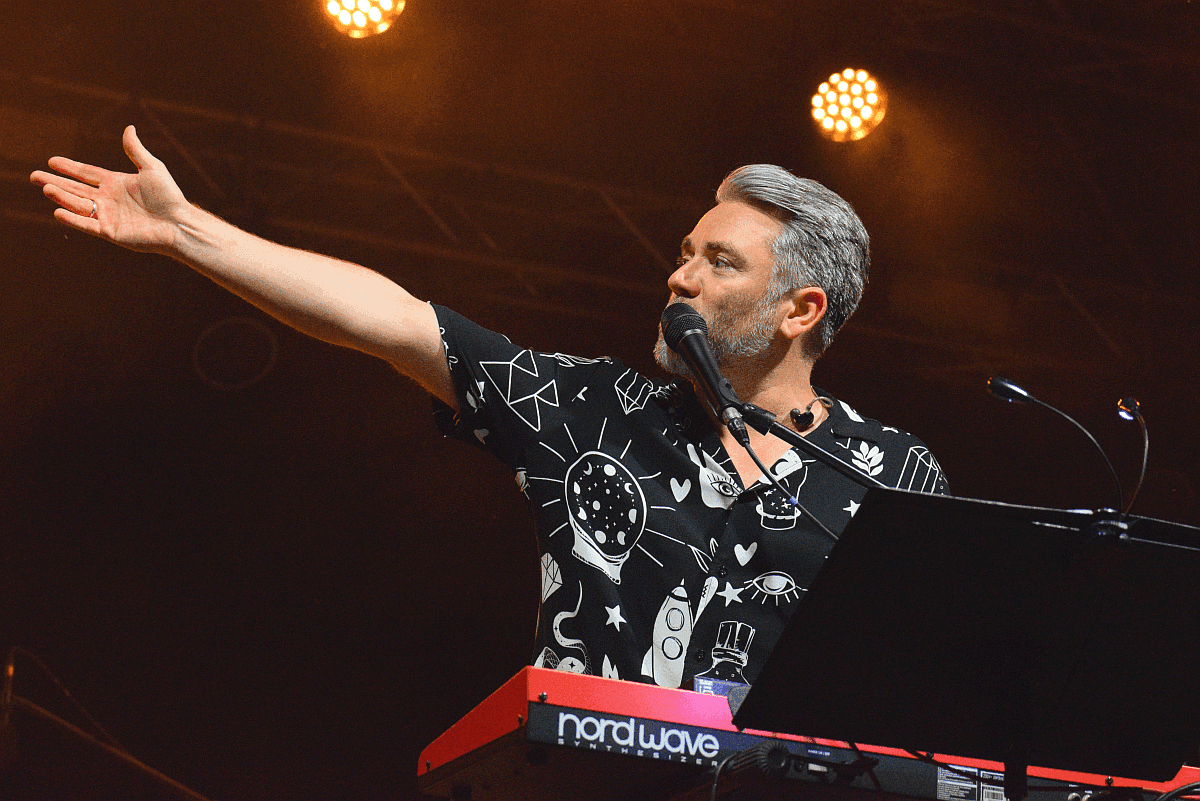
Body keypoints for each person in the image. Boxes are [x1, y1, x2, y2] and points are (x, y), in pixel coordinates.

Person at [31, 127, 947, 690]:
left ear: (800, 310)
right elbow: (395, 320)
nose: (679, 276)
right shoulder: (595, 408)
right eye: (684, 252)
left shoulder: (894, 471)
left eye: (720, 262)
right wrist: (185, 231)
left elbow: (925, 676)